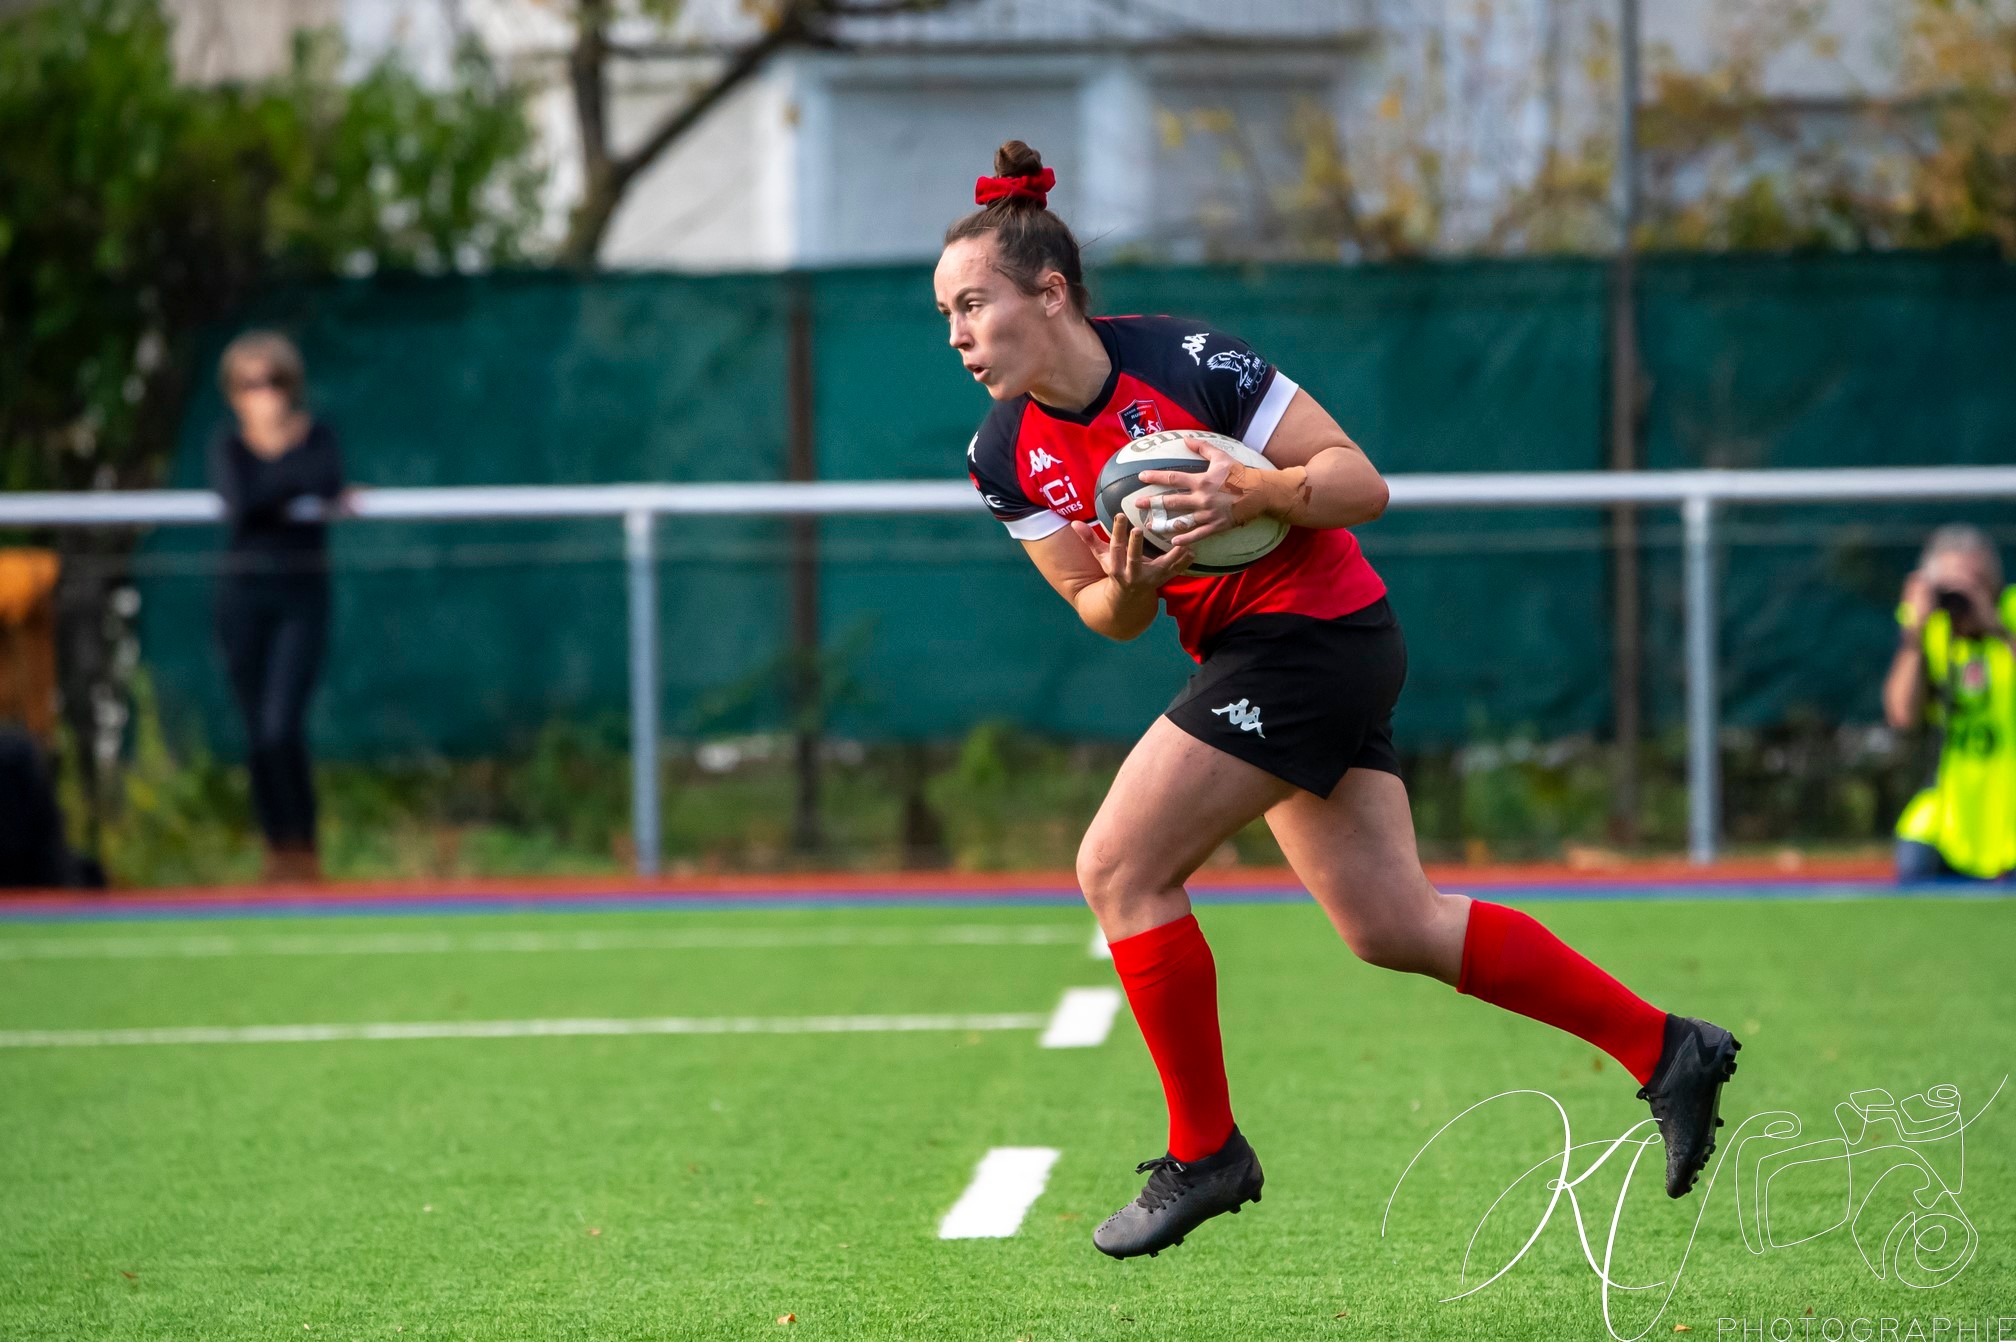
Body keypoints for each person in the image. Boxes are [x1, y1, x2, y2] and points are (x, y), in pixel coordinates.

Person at [937, 141, 1744, 1260]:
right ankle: (1668, 1048)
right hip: (1258, 655)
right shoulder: (1000, 454)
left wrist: (1258, 487)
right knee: (1392, 924)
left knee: (1118, 867)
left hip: (1313, 638)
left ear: (1052, 292)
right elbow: (1098, 611)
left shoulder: (1188, 358)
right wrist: (1136, 580)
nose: (958, 335)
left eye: (973, 304)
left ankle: (1205, 1150)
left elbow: (1360, 481)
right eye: (947, 316)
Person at [209, 331, 346, 883]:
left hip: (301, 598)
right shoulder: (228, 444)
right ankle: (277, 852)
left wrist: (277, 479)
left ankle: (303, 847)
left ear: (291, 386)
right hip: (242, 600)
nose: (261, 394)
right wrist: (288, 483)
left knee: (281, 727)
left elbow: (326, 480)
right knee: (255, 734)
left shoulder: (318, 436)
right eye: (248, 384)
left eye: (272, 382)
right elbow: (242, 504)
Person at [1884, 525, 2016, 883]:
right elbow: (1901, 715)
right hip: (1950, 813)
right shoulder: (1933, 629)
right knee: (1914, 858)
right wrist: (1914, 635)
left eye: (1973, 581)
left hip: (2007, 810)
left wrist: (1997, 629)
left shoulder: (2011, 613)